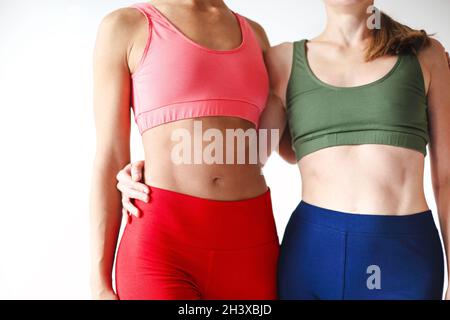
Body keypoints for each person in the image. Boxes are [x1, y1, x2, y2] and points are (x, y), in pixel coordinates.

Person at [118, 0, 450, 299]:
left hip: (406, 255)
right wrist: (155, 166)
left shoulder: (426, 55)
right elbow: (248, 152)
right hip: (313, 254)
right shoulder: (282, 60)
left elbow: (446, 178)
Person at [90, 0, 285, 300]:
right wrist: (98, 283)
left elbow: (260, 147)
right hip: (163, 247)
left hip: (252, 243)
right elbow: (110, 154)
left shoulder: (255, 35)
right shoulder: (125, 26)